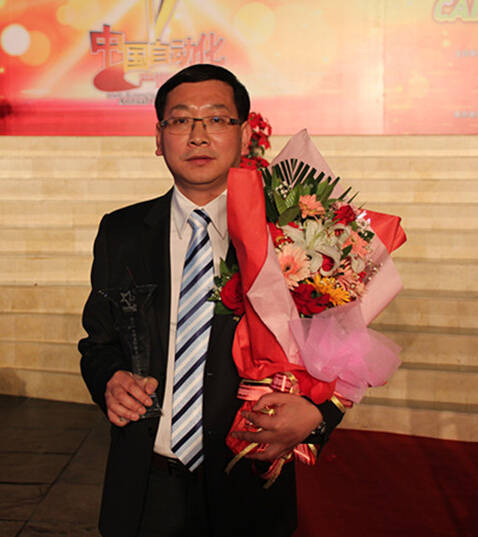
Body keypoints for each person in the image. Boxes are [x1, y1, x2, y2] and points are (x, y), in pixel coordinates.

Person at [79, 63, 344, 537]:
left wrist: (317, 417)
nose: (198, 135)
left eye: (217, 119)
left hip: (248, 485)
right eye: (181, 120)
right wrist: (110, 380)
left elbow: (345, 348)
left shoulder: (291, 233)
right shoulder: (121, 232)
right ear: (158, 138)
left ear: (245, 136)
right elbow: (98, 344)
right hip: (145, 490)